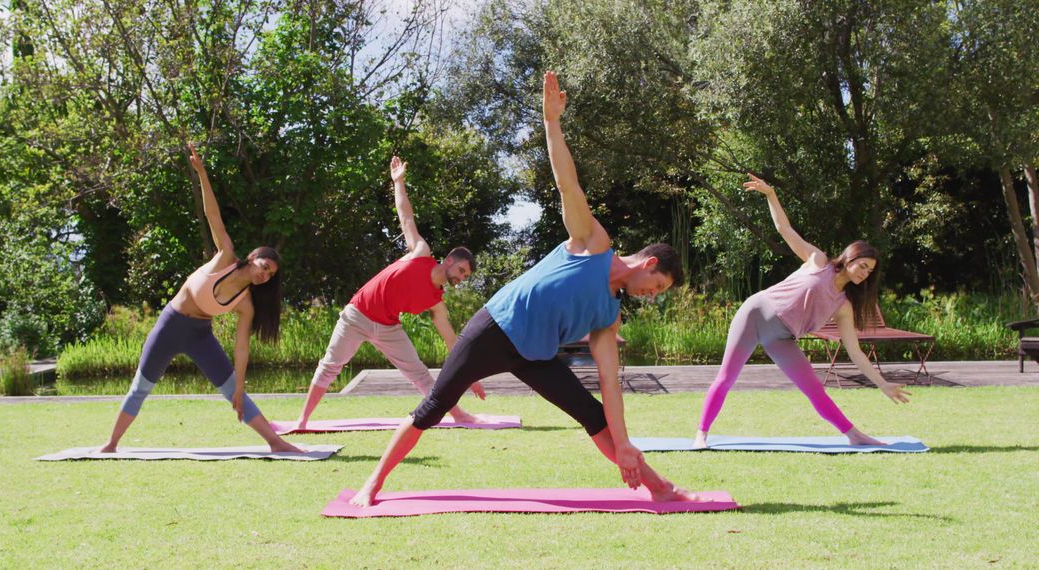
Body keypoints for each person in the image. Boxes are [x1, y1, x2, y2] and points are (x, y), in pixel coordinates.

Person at [350, 72, 699, 507]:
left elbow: (609, 381)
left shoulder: (609, 316)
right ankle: (372, 486)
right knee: (435, 406)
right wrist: (552, 122)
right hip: (494, 328)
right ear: (648, 264)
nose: (653, 293)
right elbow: (567, 185)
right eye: (658, 285)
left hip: (535, 354)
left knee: (592, 415)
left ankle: (661, 488)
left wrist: (624, 443)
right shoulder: (594, 245)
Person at [99, 144, 301, 453]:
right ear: (251, 259)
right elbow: (212, 215)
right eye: (264, 267)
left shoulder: (246, 302)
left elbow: (242, 346)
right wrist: (203, 174)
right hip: (170, 325)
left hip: (199, 335)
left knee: (233, 390)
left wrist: (241, 385)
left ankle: (275, 442)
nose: (265, 275)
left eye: (270, 274)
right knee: (141, 387)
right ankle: (111, 444)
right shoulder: (225, 257)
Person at [693, 174, 912, 449]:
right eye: (862, 265)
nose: (865, 274)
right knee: (726, 377)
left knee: (815, 390)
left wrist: (882, 384)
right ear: (850, 258)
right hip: (755, 314)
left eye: (869, 271)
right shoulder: (818, 261)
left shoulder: (843, 306)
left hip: (782, 337)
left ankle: (854, 435)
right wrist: (771, 194)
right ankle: (701, 434)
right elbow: (784, 229)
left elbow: (855, 352)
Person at [294, 155, 485, 428]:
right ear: (451, 260)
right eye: (462, 271)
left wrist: (470, 377)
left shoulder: (437, 301)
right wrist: (398, 182)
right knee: (329, 366)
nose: (462, 278)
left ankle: (458, 415)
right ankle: (302, 420)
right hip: (357, 315)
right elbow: (405, 216)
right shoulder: (421, 253)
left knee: (419, 373)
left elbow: (452, 343)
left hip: (387, 327)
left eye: (465, 276)